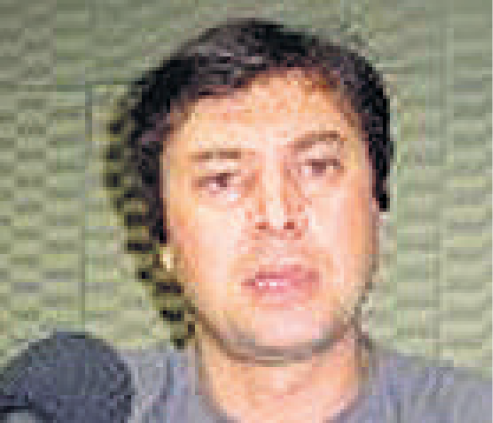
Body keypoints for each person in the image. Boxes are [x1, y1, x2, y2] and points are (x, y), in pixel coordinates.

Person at [1, 17, 493, 423]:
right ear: (163, 240)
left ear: (375, 204)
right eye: (222, 180)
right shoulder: (85, 413)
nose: (277, 215)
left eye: (317, 168)